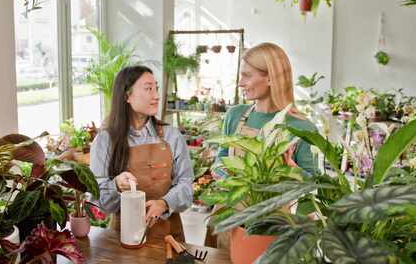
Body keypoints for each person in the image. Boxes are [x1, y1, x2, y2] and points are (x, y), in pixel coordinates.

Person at [207, 42, 319, 248]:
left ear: (270, 77)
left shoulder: (302, 126)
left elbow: (314, 185)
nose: (240, 83)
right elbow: (221, 159)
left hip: (273, 224)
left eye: (247, 75)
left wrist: (293, 171)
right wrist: (223, 174)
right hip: (229, 218)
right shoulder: (235, 115)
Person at [90, 65, 194, 242]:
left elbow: (186, 185)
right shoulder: (105, 140)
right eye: (148, 89)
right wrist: (116, 185)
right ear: (127, 96)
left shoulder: (172, 136)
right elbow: (98, 199)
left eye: (156, 89)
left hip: (168, 235)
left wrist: (165, 203)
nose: (156, 96)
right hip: (123, 235)